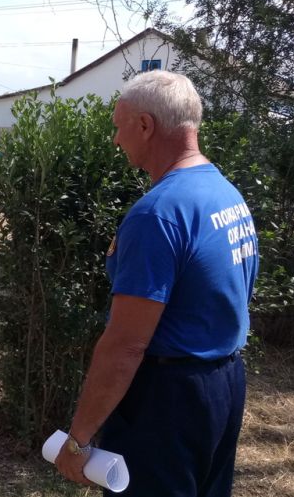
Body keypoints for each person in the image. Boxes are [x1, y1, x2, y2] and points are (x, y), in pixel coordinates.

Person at [55, 70, 258, 497]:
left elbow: (126, 344)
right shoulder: (226, 194)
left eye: (118, 125)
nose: (115, 139)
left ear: (145, 126)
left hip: (167, 401)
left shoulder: (159, 214)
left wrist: (79, 439)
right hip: (223, 383)